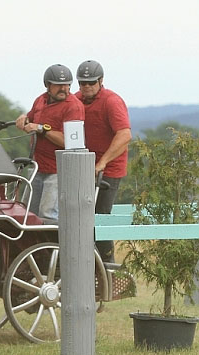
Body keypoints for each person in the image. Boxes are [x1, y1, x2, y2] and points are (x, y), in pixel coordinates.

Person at [75, 60, 132, 263]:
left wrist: (102, 162)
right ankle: (85, 266)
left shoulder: (111, 101)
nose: (86, 87)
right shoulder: (76, 100)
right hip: (83, 168)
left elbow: (124, 135)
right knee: (79, 219)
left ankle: (107, 266)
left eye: (91, 83)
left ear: (100, 81)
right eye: (82, 83)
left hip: (107, 170)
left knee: (100, 219)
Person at [15, 64, 85, 221]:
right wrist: (23, 118)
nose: (64, 89)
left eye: (67, 84)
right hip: (38, 166)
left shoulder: (74, 107)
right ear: (47, 85)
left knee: (48, 214)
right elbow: (31, 117)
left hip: (58, 170)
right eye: (58, 85)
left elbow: (71, 143)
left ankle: (52, 245)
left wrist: (41, 129)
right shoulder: (41, 100)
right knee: (28, 213)